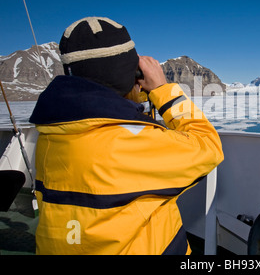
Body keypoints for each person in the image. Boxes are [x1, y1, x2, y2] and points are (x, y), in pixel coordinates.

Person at [29, 17, 224, 255]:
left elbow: (102, 106)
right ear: (127, 73)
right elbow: (208, 146)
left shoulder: (51, 133)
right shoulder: (129, 143)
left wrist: (132, 93)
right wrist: (164, 92)